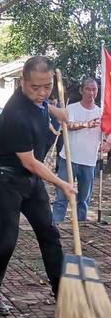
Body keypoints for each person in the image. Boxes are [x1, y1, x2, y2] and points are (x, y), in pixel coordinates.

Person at [0, 56, 76, 315]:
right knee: (6, 241)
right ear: (22, 82)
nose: (42, 92)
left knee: (49, 233)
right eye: (35, 87)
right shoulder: (16, 115)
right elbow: (31, 162)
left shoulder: (39, 99)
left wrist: (58, 112)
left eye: (47, 86)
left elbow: (45, 105)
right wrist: (62, 184)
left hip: (30, 181)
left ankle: (62, 295)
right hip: (6, 180)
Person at [52, 78, 102, 223]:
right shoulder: (72, 108)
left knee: (84, 200)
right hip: (68, 159)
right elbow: (69, 125)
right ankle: (55, 225)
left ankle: (81, 228)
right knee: (62, 197)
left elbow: (106, 133)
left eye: (94, 89)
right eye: (88, 89)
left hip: (89, 162)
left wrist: (107, 143)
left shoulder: (101, 112)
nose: (91, 93)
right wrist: (86, 124)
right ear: (81, 90)